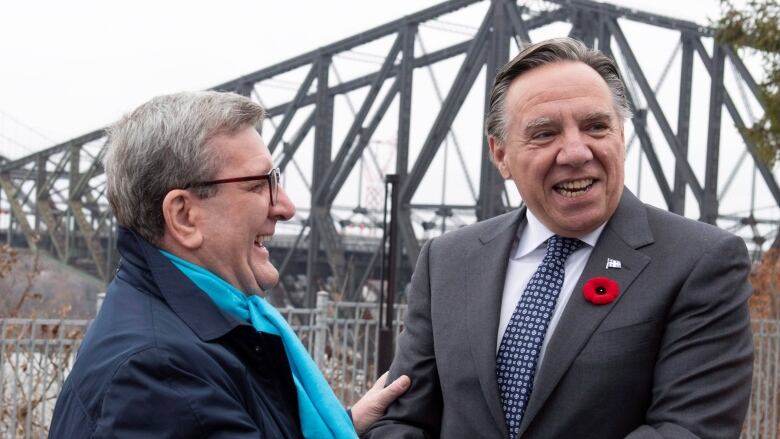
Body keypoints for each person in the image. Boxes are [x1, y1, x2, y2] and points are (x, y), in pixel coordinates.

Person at [365, 37, 753, 439]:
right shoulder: (446, 260)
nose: (575, 152)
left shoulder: (701, 261)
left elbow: (688, 429)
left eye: (596, 126)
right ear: (500, 155)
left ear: (621, 135)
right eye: (545, 133)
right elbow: (403, 420)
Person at [49, 91, 410, 438]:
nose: (286, 207)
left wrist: (343, 424)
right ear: (184, 216)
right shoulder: (161, 380)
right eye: (258, 185)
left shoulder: (185, 343)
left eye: (276, 179)